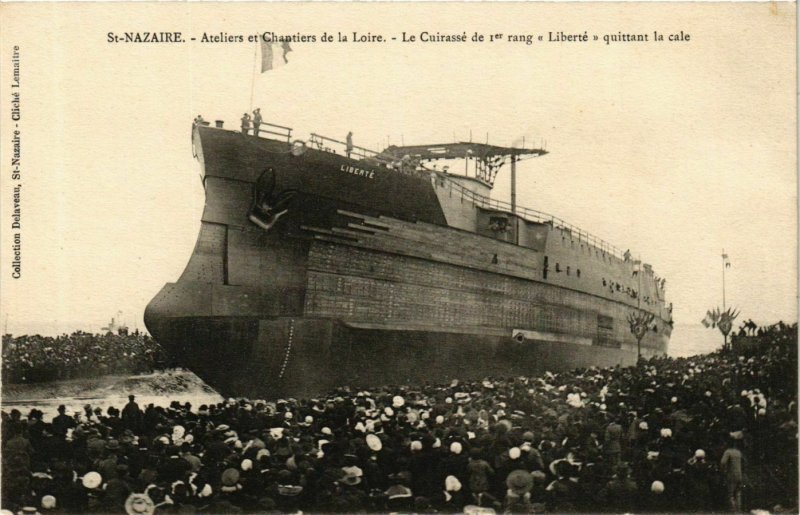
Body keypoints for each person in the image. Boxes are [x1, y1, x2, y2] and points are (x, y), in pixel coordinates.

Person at [721, 439, 746, 512]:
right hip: (739, 474)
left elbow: (723, 462)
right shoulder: (738, 452)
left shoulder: (728, 452)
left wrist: (724, 471)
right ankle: (739, 510)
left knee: (730, 494)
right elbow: (744, 462)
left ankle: (733, 511)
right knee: (738, 493)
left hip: (731, 474)